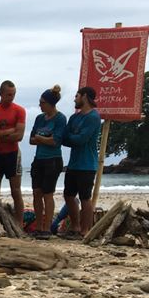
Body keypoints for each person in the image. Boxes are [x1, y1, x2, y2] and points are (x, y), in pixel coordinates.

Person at [61, 87, 102, 238]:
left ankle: (86, 230)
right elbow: (64, 138)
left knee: (85, 197)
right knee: (68, 195)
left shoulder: (93, 117)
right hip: (73, 163)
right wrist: (73, 137)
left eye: (77, 96)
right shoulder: (74, 117)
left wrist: (72, 137)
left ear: (84, 96)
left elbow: (81, 139)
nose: (74, 99)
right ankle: (75, 227)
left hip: (87, 164)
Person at [29, 85, 67, 239]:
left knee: (47, 194)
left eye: (42, 102)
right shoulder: (39, 118)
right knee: (37, 192)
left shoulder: (60, 118)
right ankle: (38, 225)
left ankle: (46, 228)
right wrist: (43, 139)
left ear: (50, 104)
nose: (40, 105)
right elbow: (31, 139)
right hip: (39, 159)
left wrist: (41, 139)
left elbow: (56, 141)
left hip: (53, 160)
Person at [0, 80, 27, 224]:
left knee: (15, 191)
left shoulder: (19, 110)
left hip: (12, 153)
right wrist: (9, 132)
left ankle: (19, 223)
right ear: (1, 94)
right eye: (8, 94)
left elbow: (19, 136)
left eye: (13, 94)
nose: (11, 97)